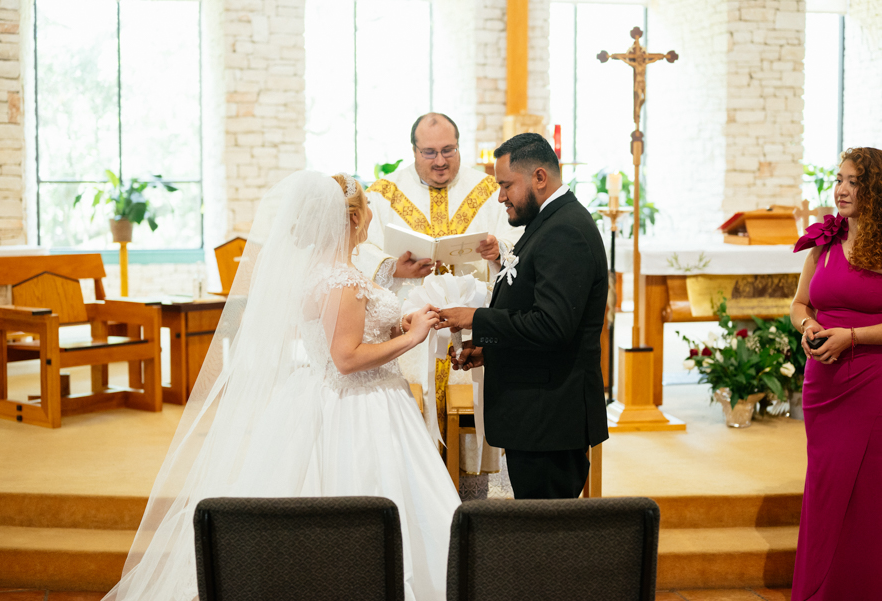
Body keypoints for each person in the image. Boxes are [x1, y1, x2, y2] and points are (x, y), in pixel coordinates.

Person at [102, 171, 460, 601]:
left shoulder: (328, 272)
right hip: (359, 406)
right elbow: (346, 359)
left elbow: (344, 331)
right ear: (352, 218)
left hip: (326, 396)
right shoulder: (341, 281)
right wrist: (412, 335)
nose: (371, 217)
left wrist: (392, 319)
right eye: (367, 209)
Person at [355, 112, 522, 492]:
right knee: (412, 435)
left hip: (470, 330)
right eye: (429, 152)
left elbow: (517, 247)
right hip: (409, 333)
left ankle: (470, 496)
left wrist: (496, 251)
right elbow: (358, 249)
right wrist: (392, 266)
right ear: (413, 151)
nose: (440, 161)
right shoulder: (383, 194)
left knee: (470, 417)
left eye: (448, 150)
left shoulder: (489, 191)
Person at [438, 133, 609, 500]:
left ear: (539, 178)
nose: (501, 197)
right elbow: (536, 313)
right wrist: (491, 349)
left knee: (545, 543)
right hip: (539, 417)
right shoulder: (550, 222)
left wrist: (476, 319)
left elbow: (552, 326)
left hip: (550, 420)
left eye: (505, 185)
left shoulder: (566, 231)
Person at [790, 147, 882, 600]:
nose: (842, 189)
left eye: (854, 182)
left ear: (874, 191)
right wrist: (809, 326)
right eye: (839, 180)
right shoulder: (823, 241)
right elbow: (799, 303)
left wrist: (853, 336)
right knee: (825, 487)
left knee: (866, 490)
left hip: (870, 381)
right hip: (822, 385)